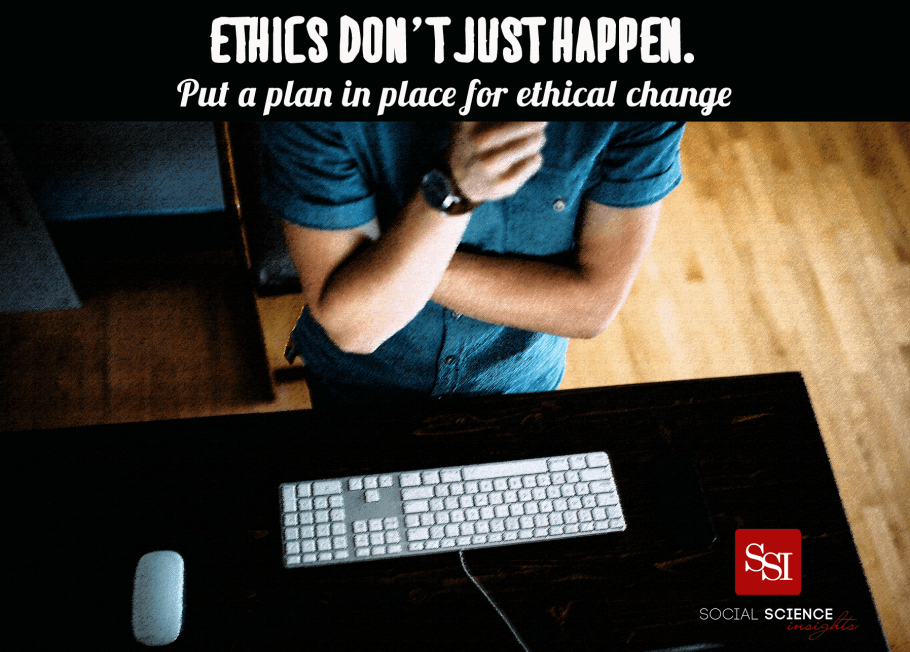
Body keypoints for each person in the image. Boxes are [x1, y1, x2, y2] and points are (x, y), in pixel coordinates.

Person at [259, 121, 684, 409]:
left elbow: (591, 308)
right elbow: (357, 328)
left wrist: (394, 267)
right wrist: (455, 188)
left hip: (522, 386)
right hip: (361, 389)